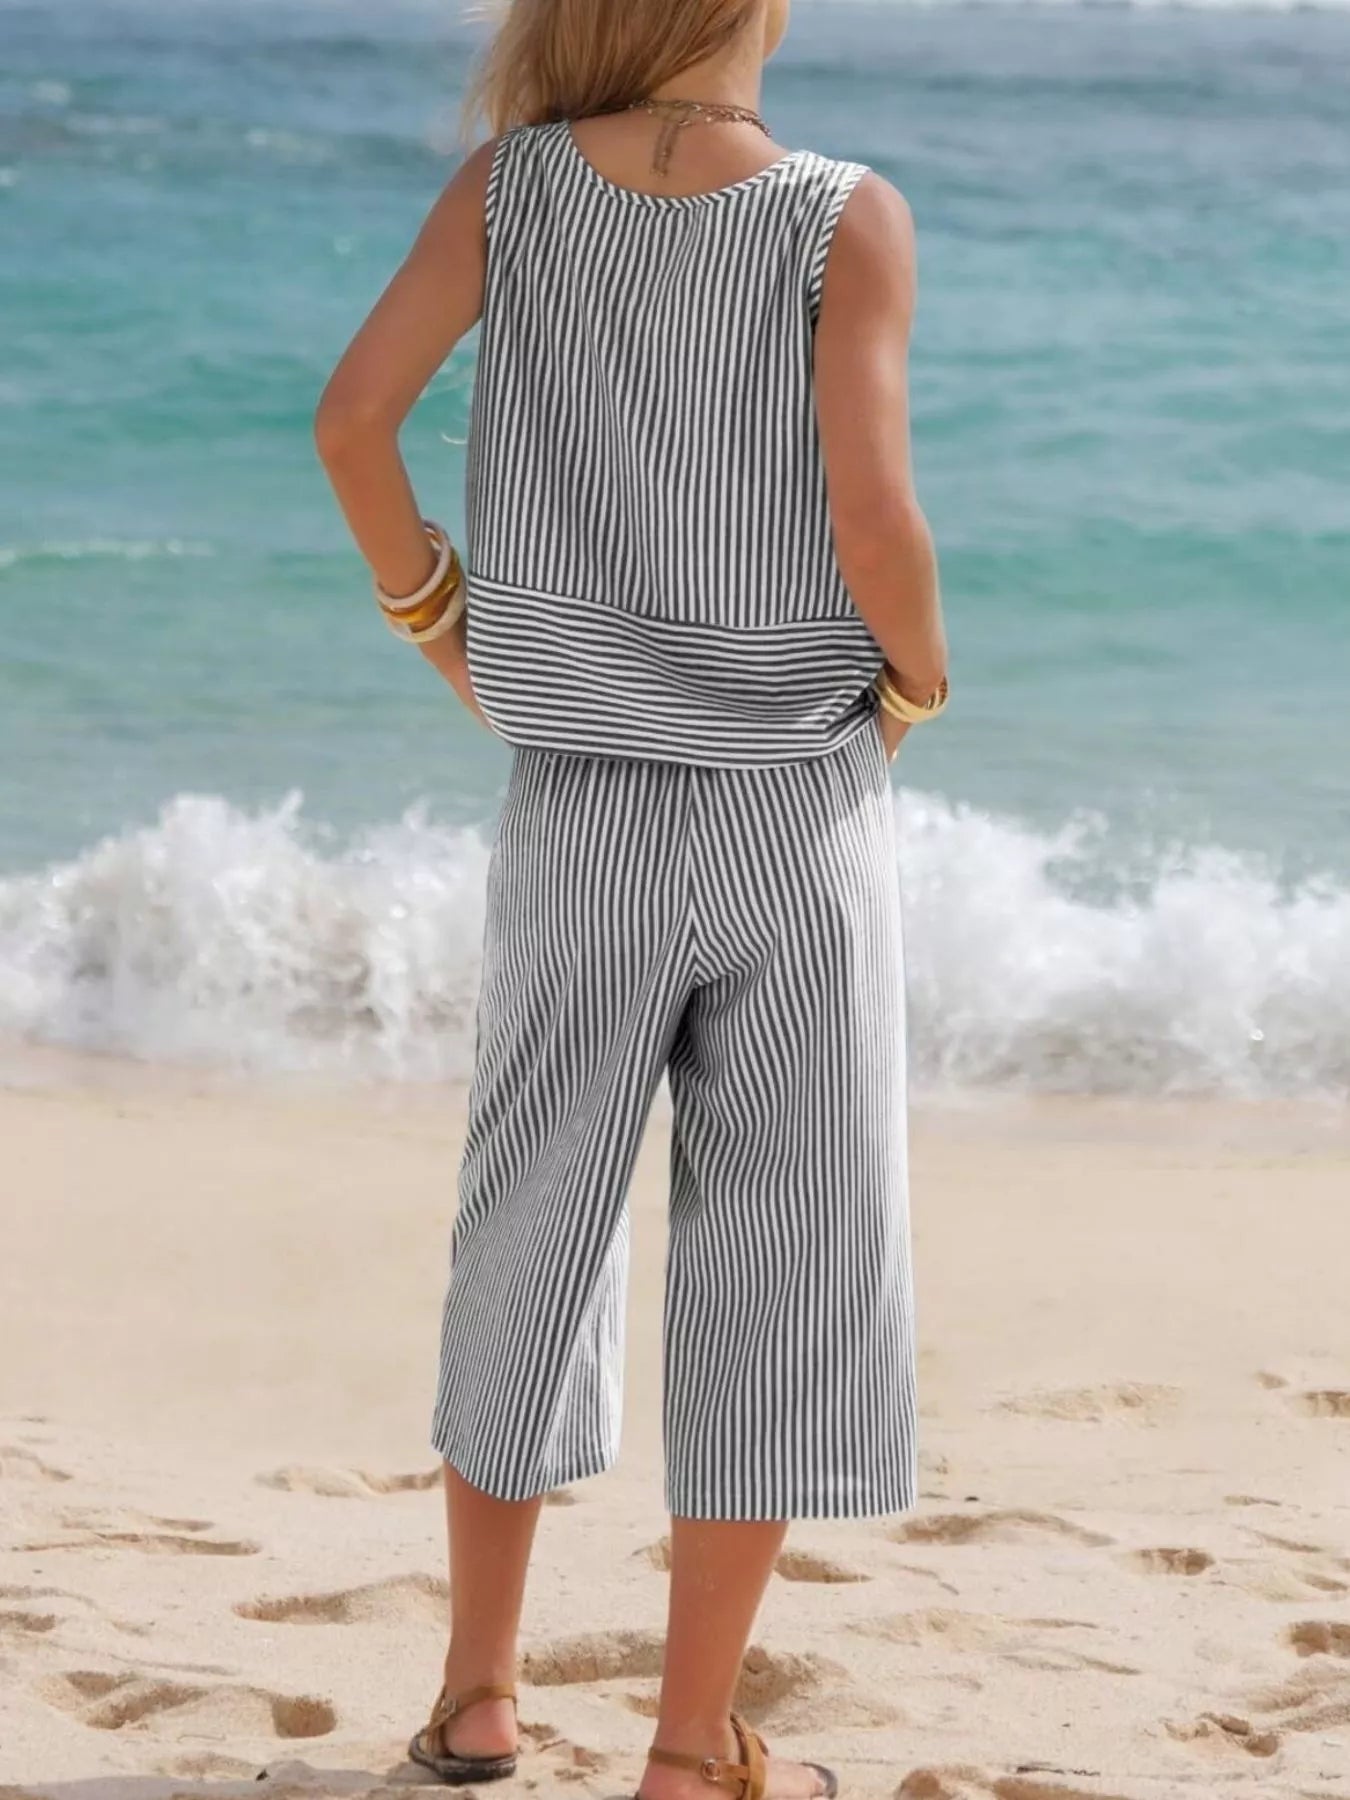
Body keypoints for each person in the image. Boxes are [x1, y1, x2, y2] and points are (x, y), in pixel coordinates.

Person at [315, 2, 947, 1795]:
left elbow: (352, 423)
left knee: (528, 1225)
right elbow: (873, 516)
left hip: (577, 808)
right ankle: (686, 1748)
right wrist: (916, 686)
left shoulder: (506, 191)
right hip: (790, 814)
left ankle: (479, 1697)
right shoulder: (842, 214)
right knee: (780, 1261)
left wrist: (441, 624)